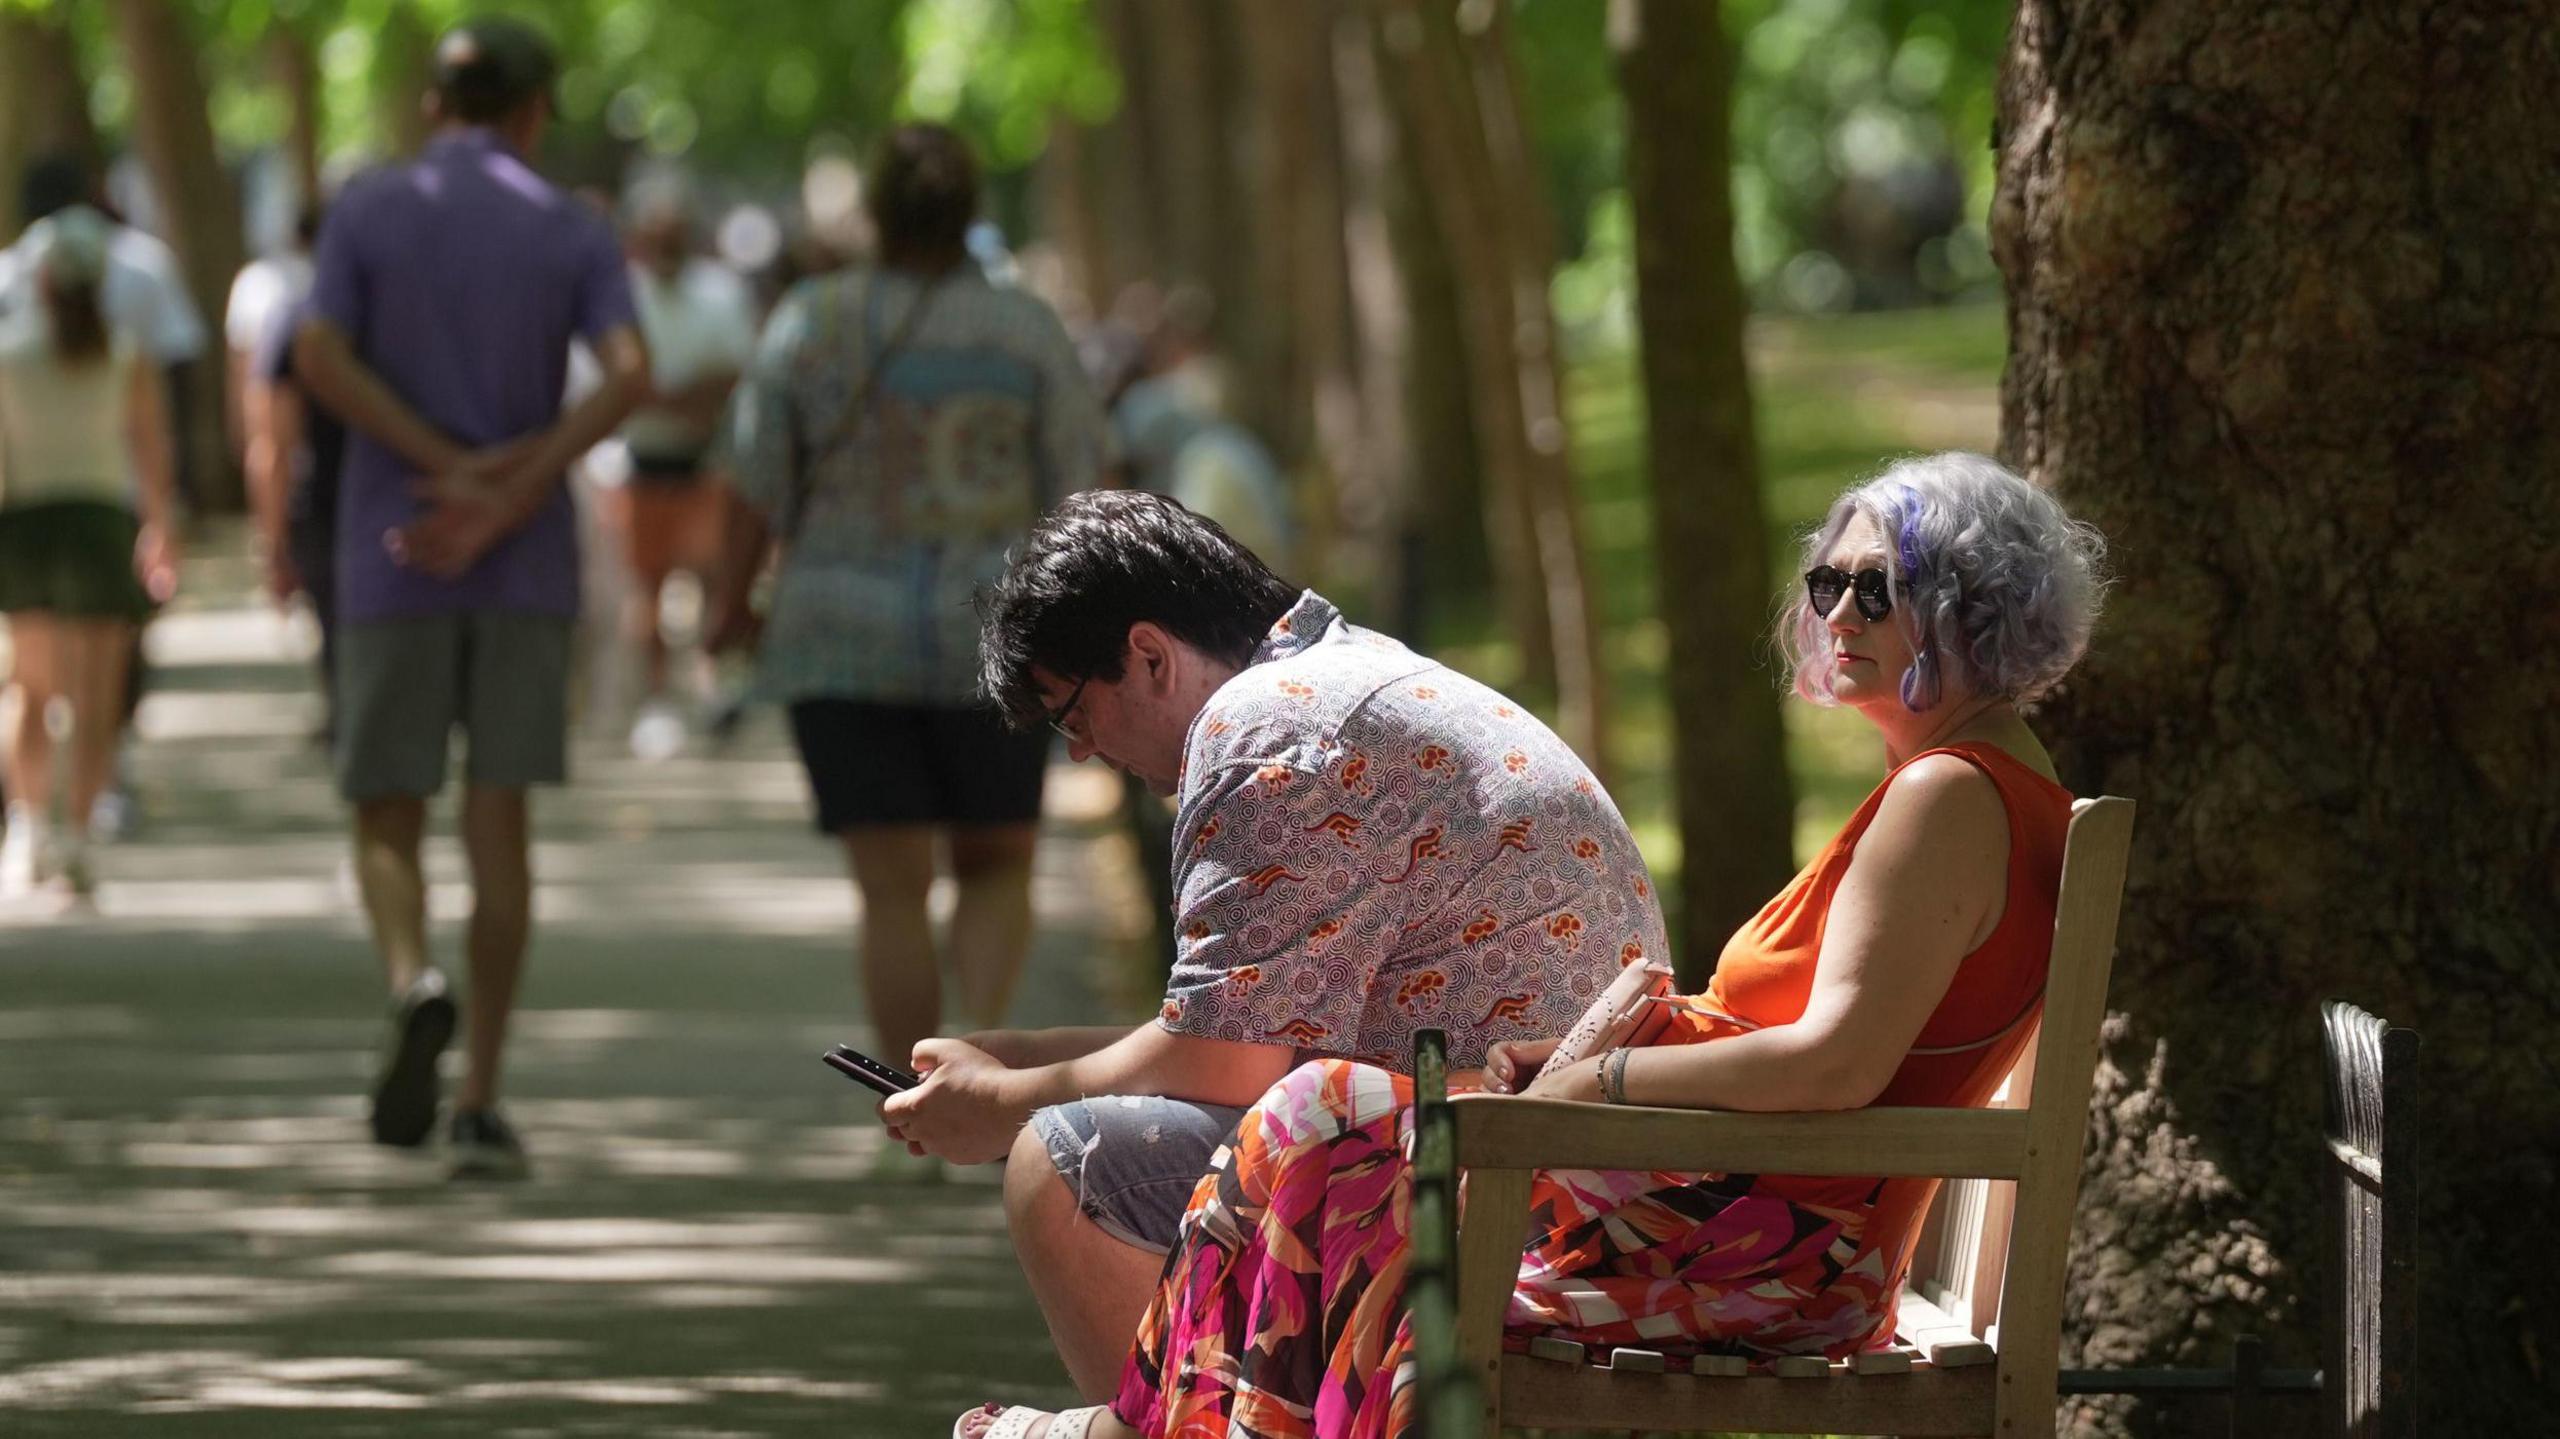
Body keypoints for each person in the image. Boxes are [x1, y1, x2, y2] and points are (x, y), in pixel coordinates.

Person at [953, 452, 2110, 1439]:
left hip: (1751, 1250)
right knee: (1333, 1125)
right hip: (1737, 1214)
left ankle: (1136, 1429)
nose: (1837, 615)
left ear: (1973, 604)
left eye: (1876, 588)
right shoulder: (1976, 788)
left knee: (1321, 1117)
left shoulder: (1947, 798)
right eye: (1826, 583)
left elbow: (1832, 1065)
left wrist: (1598, 1079)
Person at [889, 488, 1664, 1402]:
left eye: (1073, 714)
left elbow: (1227, 1064)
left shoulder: (1262, 729)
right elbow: (1247, 1030)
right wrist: (1023, 1057)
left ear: (1148, 655)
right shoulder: (1336, 680)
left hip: (1512, 1186)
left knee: (1066, 1162)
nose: (1082, 753)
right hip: (1576, 1163)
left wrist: (1007, 1103)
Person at [290, 16, 648, 1179]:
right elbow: (631, 372)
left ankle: (413, 977)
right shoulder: (570, 226)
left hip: (391, 543)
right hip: (522, 559)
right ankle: (482, 1098)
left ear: (433, 105)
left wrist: (436, 460)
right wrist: (516, 480)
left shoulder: (367, 208)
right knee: (500, 824)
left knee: (384, 806)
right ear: (534, 111)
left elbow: (318, 355)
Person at [711, 124, 1107, 1082]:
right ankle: (981, 1064)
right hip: (997, 637)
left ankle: (911, 1100)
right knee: (997, 861)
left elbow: (756, 480)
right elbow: (1081, 486)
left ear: (877, 210)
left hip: (840, 642)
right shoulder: (1027, 330)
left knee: (890, 891)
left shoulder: (811, 321)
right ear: (969, 210)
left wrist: (729, 602)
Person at [0, 207, 179, 903]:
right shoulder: (126, 355)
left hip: (25, 529)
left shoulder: (9, 355)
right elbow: (150, 449)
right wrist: (160, 527)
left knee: (27, 688)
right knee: (95, 698)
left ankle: (30, 830)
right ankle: (75, 834)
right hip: (100, 527)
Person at [611, 184, 756, 759]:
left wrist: (673, 397)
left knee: (712, 579)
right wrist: (668, 398)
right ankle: (656, 700)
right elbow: (618, 380)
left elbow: (735, 374)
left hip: (706, 463)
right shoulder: (623, 294)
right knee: (648, 587)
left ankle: (715, 687)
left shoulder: (721, 293)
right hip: (644, 465)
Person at [243, 291, 347, 742]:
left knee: (337, 626)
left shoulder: (293, 320)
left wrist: (274, 544)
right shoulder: (399, 310)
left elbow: (273, 445)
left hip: (321, 502)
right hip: (382, 501)